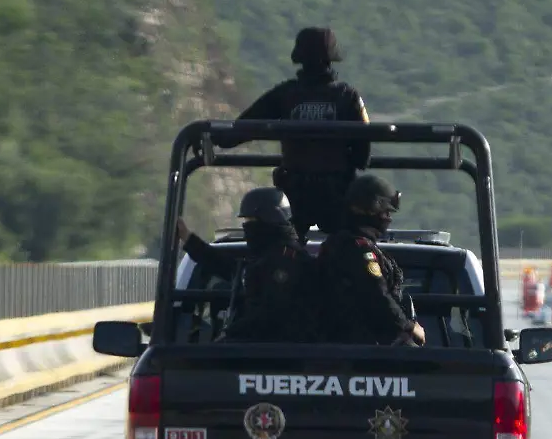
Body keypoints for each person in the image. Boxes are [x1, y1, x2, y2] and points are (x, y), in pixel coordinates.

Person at [216, 27, 371, 242]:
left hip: (295, 193)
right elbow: (363, 153)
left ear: (299, 57)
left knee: (284, 248)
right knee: (347, 246)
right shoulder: (348, 96)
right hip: (337, 192)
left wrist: (216, 138)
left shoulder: (285, 94)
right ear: (331, 58)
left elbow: (243, 127)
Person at [176, 187, 321, 343]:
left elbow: (268, 315)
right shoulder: (262, 259)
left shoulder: (286, 262)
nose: (247, 228)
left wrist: (230, 335)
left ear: (268, 220)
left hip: (275, 351)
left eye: (251, 221)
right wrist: (187, 238)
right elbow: (224, 264)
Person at [318, 174, 426, 346]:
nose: (388, 218)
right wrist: (409, 326)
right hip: (362, 347)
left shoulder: (337, 244)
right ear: (372, 210)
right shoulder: (358, 249)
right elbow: (378, 295)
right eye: (386, 212)